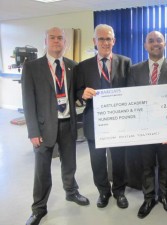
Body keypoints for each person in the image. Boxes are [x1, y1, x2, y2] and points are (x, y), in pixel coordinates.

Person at [22, 27, 89, 225]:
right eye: (52, 38)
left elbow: (76, 92)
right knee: (42, 170)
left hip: (68, 124)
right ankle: (38, 208)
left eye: (60, 38)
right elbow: (28, 101)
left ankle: (71, 192)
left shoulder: (72, 66)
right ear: (45, 41)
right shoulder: (32, 67)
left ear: (65, 42)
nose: (56, 41)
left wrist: (83, 95)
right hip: (43, 128)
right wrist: (33, 131)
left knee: (69, 164)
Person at [127, 31, 167, 219]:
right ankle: (149, 197)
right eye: (151, 41)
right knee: (146, 165)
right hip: (145, 129)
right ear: (145, 45)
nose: (155, 43)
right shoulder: (134, 70)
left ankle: (164, 196)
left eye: (159, 40)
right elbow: (131, 99)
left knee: (165, 165)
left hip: (166, 129)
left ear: (165, 44)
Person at [75, 24, 131, 209]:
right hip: (94, 122)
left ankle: (119, 191)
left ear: (114, 41)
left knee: (119, 159)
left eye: (108, 39)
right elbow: (77, 91)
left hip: (119, 122)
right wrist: (82, 94)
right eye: (101, 39)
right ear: (94, 41)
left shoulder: (125, 62)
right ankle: (103, 192)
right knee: (98, 161)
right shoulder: (83, 67)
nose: (105, 42)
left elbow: (133, 91)